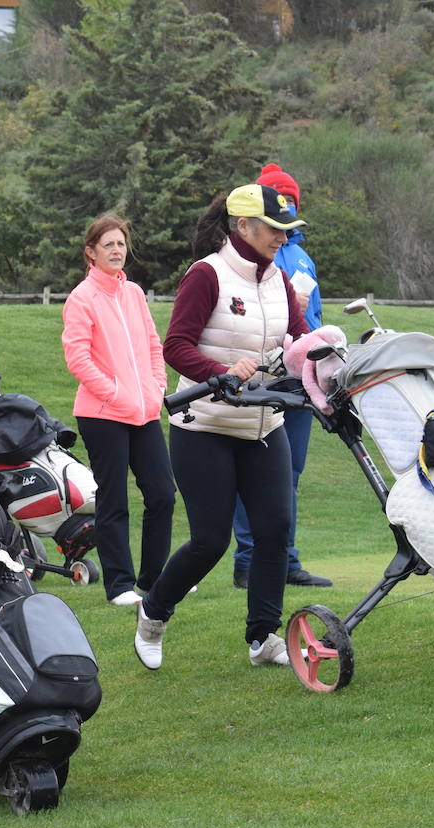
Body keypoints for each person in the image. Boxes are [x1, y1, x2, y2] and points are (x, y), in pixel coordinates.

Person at [133, 185, 310, 671]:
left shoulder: (280, 280)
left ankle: (263, 637)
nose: (280, 237)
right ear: (243, 227)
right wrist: (221, 372)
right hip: (204, 425)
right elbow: (176, 346)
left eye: (285, 230)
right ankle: (153, 613)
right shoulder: (206, 274)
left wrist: (322, 358)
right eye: (273, 228)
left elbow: (296, 341)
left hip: (264, 423)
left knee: (275, 530)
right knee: (211, 540)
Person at [61, 214, 175, 608]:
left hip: (143, 412)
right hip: (102, 414)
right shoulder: (82, 297)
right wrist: (113, 394)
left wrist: (157, 386)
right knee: (114, 501)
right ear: (91, 253)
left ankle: (156, 578)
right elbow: (78, 359)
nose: (116, 250)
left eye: (120, 243)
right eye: (107, 244)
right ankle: (120, 586)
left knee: (162, 494)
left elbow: (153, 345)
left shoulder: (135, 294)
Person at [231, 163, 333, 591]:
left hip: (301, 377)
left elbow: (313, 315)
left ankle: (286, 559)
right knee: (256, 471)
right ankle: (249, 559)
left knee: (289, 472)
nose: (285, 211)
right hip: (263, 375)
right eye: (278, 199)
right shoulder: (243, 255)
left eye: (291, 200)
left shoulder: (301, 252)